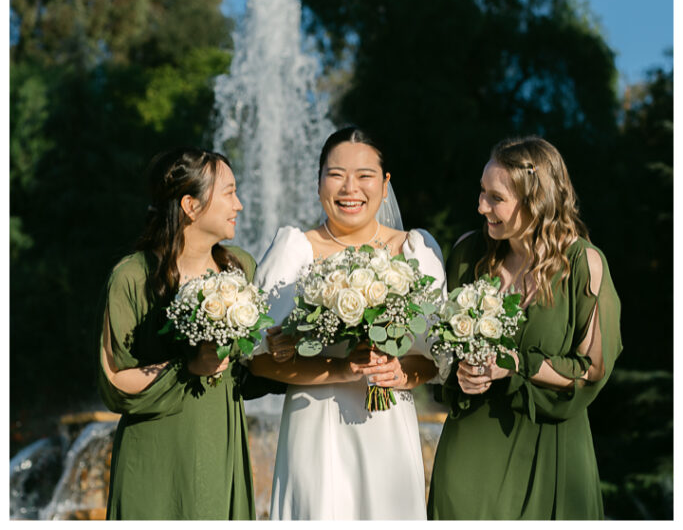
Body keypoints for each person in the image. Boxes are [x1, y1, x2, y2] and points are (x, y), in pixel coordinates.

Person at [250, 126, 446, 520]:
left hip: (388, 427)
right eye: (336, 174)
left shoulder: (415, 252)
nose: (349, 188)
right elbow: (258, 360)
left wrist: (399, 373)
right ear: (319, 180)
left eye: (365, 175)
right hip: (314, 425)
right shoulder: (294, 252)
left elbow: (436, 357)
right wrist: (341, 367)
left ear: (386, 183)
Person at [428, 136, 622, 520]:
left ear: (537, 200)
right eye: (482, 192)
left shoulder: (585, 266)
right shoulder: (468, 255)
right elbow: (438, 346)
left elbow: (593, 370)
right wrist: (458, 373)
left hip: (550, 446)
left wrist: (515, 363)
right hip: (470, 446)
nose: (481, 206)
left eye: (496, 198)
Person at [98, 147, 257, 520]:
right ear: (191, 205)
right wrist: (189, 365)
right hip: (154, 455)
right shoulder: (132, 277)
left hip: (219, 444)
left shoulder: (241, 269)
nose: (240, 205)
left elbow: (251, 369)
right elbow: (114, 380)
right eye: (229, 193)